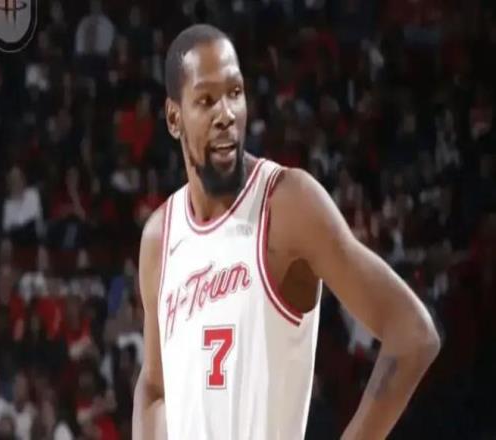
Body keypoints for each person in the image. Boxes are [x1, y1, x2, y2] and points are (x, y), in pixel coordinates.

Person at [132, 24, 440, 440]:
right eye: (206, 100)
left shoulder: (287, 203)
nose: (226, 114)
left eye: (235, 93)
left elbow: (413, 334)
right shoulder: (159, 237)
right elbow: (154, 386)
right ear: (174, 118)